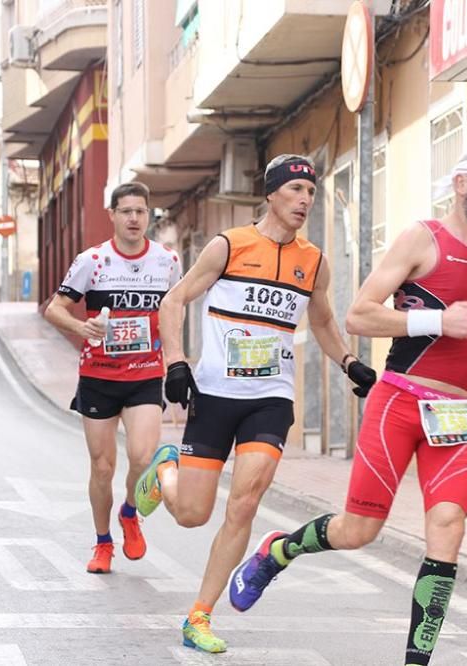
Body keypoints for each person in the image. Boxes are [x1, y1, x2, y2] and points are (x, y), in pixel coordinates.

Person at [228, 146, 467, 665]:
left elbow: (464, 327)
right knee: (358, 530)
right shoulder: (421, 239)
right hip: (400, 403)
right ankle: (280, 549)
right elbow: (359, 316)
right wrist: (436, 323)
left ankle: (416, 662)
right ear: (461, 184)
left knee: (449, 526)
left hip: (455, 415)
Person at [134, 154, 377, 653]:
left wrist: (350, 363)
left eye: (311, 193)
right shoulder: (230, 245)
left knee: (244, 504)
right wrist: (176, 363)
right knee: (192, 515)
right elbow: (174, 300)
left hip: (270, 398)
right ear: (271, 194)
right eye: (295, 191)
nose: (305, 201)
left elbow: (325, 321)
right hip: (216, 394)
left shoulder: (314, 261)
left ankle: (198, 617)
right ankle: (167, 472)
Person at [44, 181, 181, 575]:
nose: (134, 218)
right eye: (126, 211)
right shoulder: (93, 260)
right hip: (99, 376)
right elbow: (56, 308)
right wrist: (80, 327)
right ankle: (103, 542)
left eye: (141, 211)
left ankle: (130, 512)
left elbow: (175, 311)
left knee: (142, 457)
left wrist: (175, 361)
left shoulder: (166, 262)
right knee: (102, 466)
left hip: (145, 374)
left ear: (149, 215)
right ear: (113, 215)